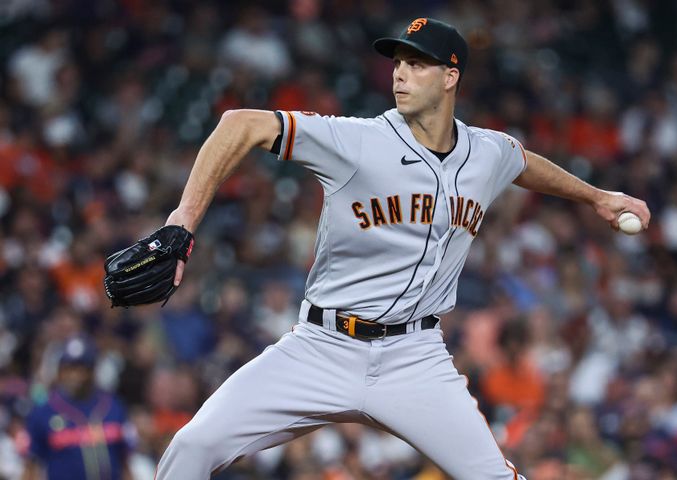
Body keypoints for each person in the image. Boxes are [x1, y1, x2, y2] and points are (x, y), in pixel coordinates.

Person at [154, 17, 650, 479]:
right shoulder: (359, 141)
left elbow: (522, 163)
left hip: (414, 357)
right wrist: (183, 220)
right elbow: (239, 123)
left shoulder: (487, 152)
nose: (400, 74)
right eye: (397, 63)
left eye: (417, 64)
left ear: (450, 77)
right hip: (322, 346)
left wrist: (598, 196)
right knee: (193, 446)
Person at [24, 336, 134, 480]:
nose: (76, 375)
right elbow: (31, 467)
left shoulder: (114, 407)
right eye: (70, 368)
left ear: (93, 370)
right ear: (60, 371)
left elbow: (124, 462)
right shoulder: (43, 412)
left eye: (83, 368)